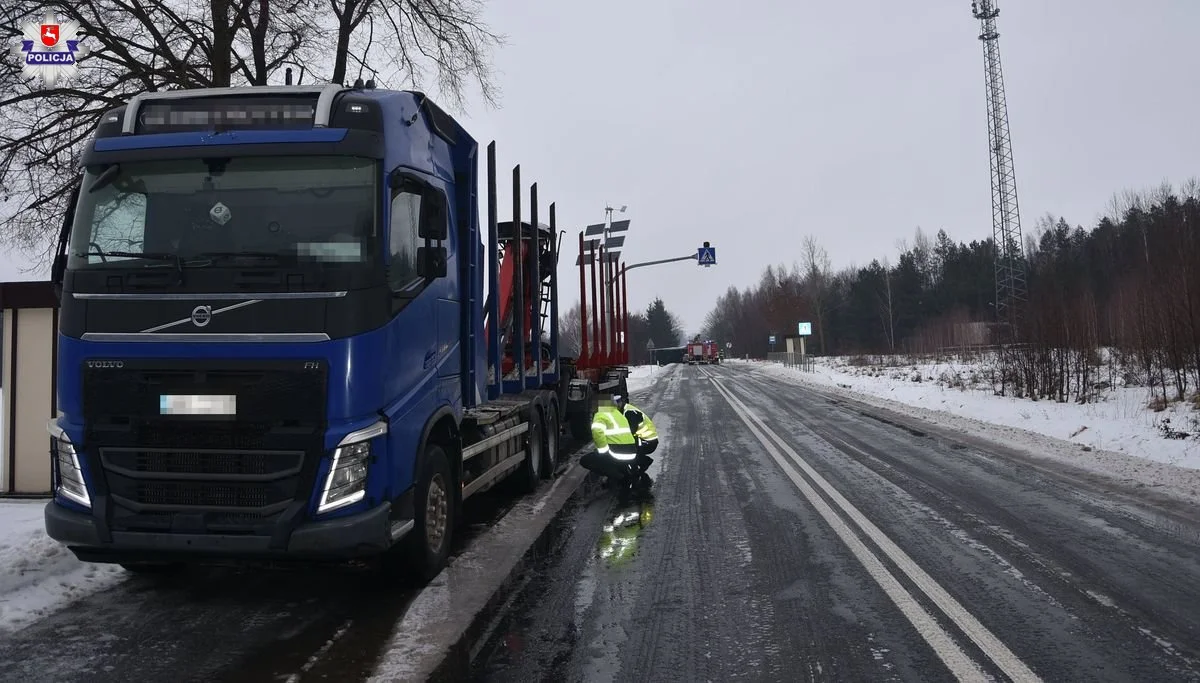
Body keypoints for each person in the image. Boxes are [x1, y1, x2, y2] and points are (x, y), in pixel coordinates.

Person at [581, 393, 659, 492]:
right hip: (638, 442)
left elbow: (627, 435)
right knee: (624, 449)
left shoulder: (629, 413)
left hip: (647, 442)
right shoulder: (619, 413)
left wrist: (604, 452)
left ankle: (637, 465)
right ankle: (629, 467)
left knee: (625, 449)